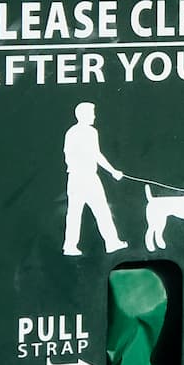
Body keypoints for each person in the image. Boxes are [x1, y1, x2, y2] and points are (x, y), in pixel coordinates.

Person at [62, 102, 126, 256]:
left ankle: (72, 246)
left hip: (78, 177)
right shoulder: (87, 132)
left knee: (78, 212)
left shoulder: (75, 132)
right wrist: (113, 171)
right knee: (99, 210)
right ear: (83, 115)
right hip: (85, 177)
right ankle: (111, 242)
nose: (94, 116)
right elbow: (96, 155)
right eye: (92, 113)